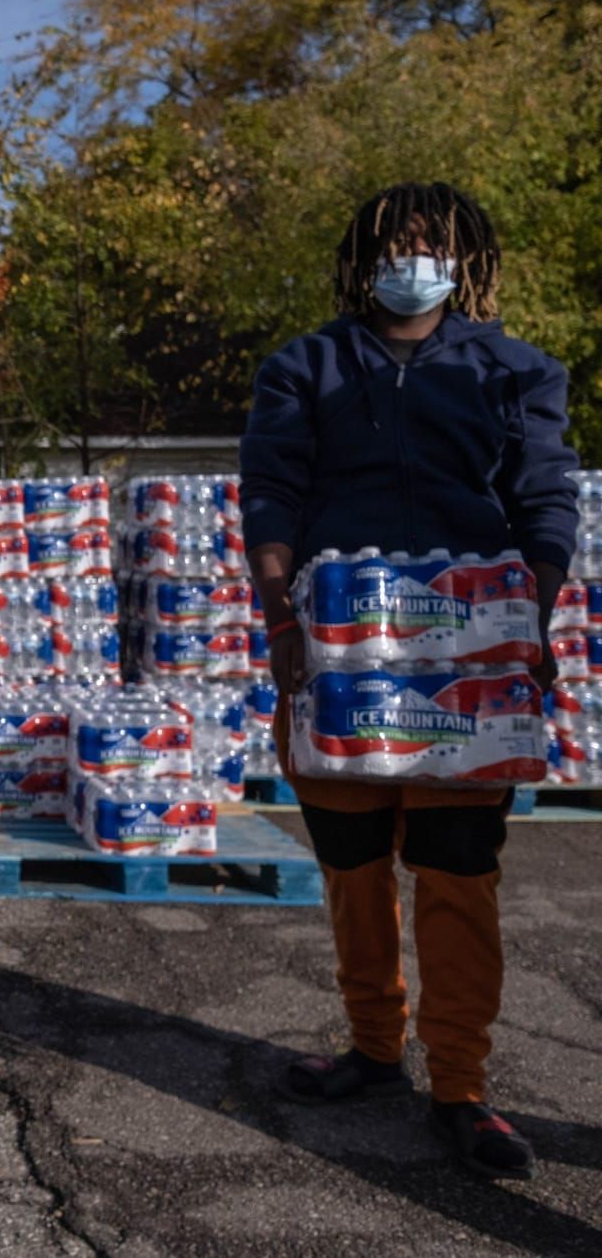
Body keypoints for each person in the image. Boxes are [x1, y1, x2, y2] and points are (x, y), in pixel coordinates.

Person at [240, 182, 576, 1181]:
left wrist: (529, 619)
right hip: (338, 652)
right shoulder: (304, 366)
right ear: (359, 256)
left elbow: (543, 499)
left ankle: (461, 1084)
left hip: (467, 657)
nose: (411, 258)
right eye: (394, 242)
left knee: (455, 865)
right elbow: (271, 487)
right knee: (349, 860)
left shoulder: (513, 371)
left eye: (429, 243)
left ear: (461, 256)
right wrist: (279, 619)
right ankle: (372, 1045)